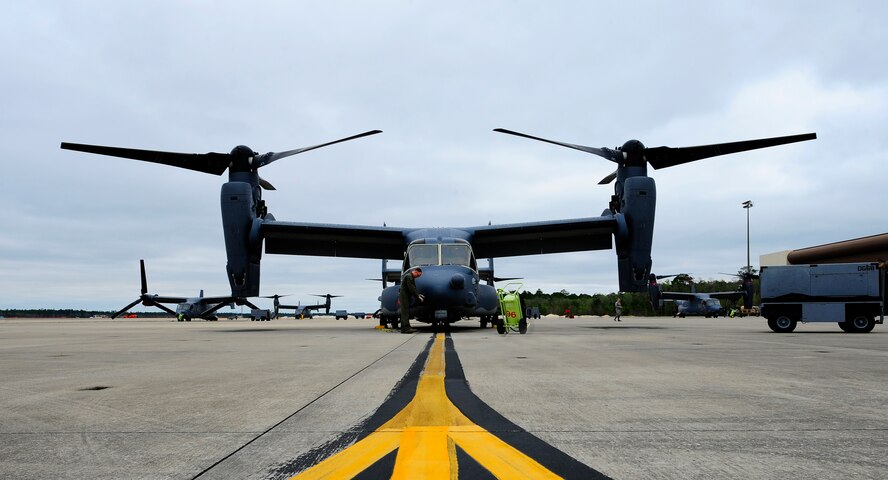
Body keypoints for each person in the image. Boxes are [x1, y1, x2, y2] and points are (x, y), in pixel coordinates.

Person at [399, 267, 424, 333]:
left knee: (405, 312)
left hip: (406, 296)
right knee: (405, 312)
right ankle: (406, 328)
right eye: (418, 275)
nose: (418, 277)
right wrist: (417, 296)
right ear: (415, 272)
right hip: (405, 296)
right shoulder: (409, 277)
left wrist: (418, 294)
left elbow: (413, 288)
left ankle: (405, 328)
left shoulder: (410, 277)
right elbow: (411, 288)